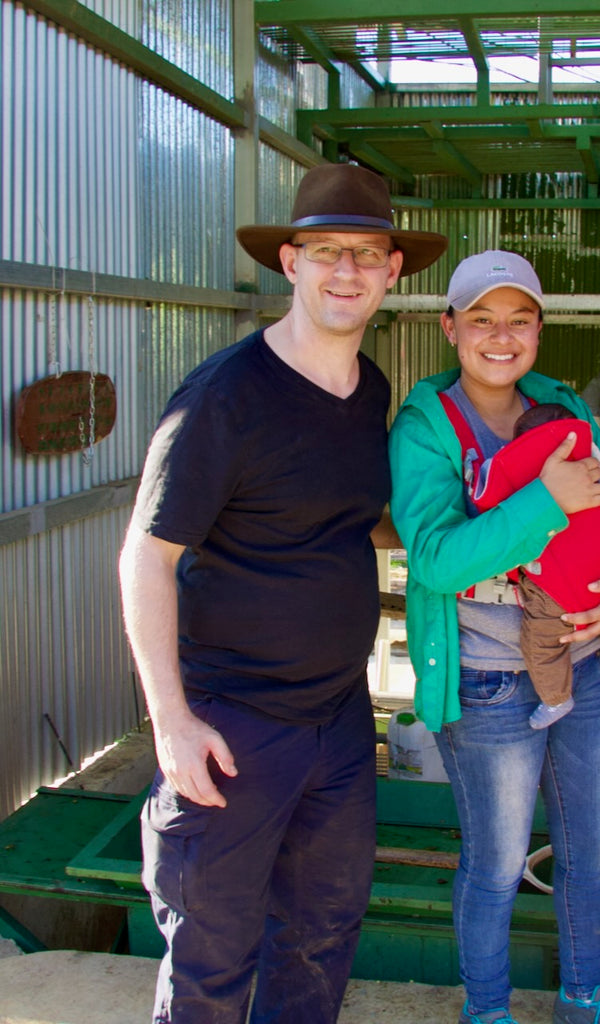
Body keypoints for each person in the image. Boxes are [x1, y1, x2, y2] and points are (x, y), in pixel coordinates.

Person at [118, 162, 447, 1024]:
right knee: (212, 954)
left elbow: (345, 518)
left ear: (393, 272)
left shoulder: (367, 390)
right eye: (328, 251)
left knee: (322, 931)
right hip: (235, 725)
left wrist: (479, 543)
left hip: (337, 720)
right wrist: (173, 721)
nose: (348, 271)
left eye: (367, 254)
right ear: (292, 262)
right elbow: (145, 559)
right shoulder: (225, 399)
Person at [388, 250, 600, 1024]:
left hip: (590, 668)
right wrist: (545, 500)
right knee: (499, 862)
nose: (500, 337)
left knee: (592, 853)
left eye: (518, 320)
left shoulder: (563, 407)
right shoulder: (425, 431)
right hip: (488, 681)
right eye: (481, 320)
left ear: (539, 330)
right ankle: (488, 1009)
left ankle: (583, 996)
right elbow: (437, 560)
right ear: (450, 328)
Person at [463, 400, 600, 729]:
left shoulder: (514, 466)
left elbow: (483, 498)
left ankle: (556, 698)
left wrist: (475, 469)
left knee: (542, 642)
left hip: (557, 587)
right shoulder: (589, 458)